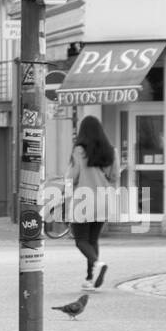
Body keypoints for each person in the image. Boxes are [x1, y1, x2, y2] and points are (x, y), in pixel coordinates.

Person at [68, 115, 119, 290]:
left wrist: (65, 196)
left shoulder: (79, 151)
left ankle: (97, 264)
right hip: (104, 200)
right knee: (92, 239)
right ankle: (90, 279)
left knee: (80, 240)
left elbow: (72, 176)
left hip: (83, 199)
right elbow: (115, 177)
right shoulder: (112, 151)